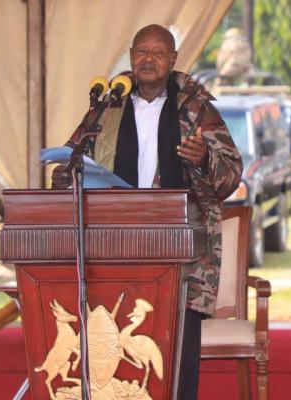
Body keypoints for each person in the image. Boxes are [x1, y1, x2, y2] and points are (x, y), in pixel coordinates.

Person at [51, 24, 242, 400]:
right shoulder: (108, 107)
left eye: (158, 53)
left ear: (172, 60)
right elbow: (73, 158)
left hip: (181, 249)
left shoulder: (195, 109)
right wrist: (65, 173)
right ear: (131, 56)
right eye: (142, 52)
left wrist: (204, 160)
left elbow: (230, 176)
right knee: (115, 346)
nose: (149, 59)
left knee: (174, 354)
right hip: (113, 245)